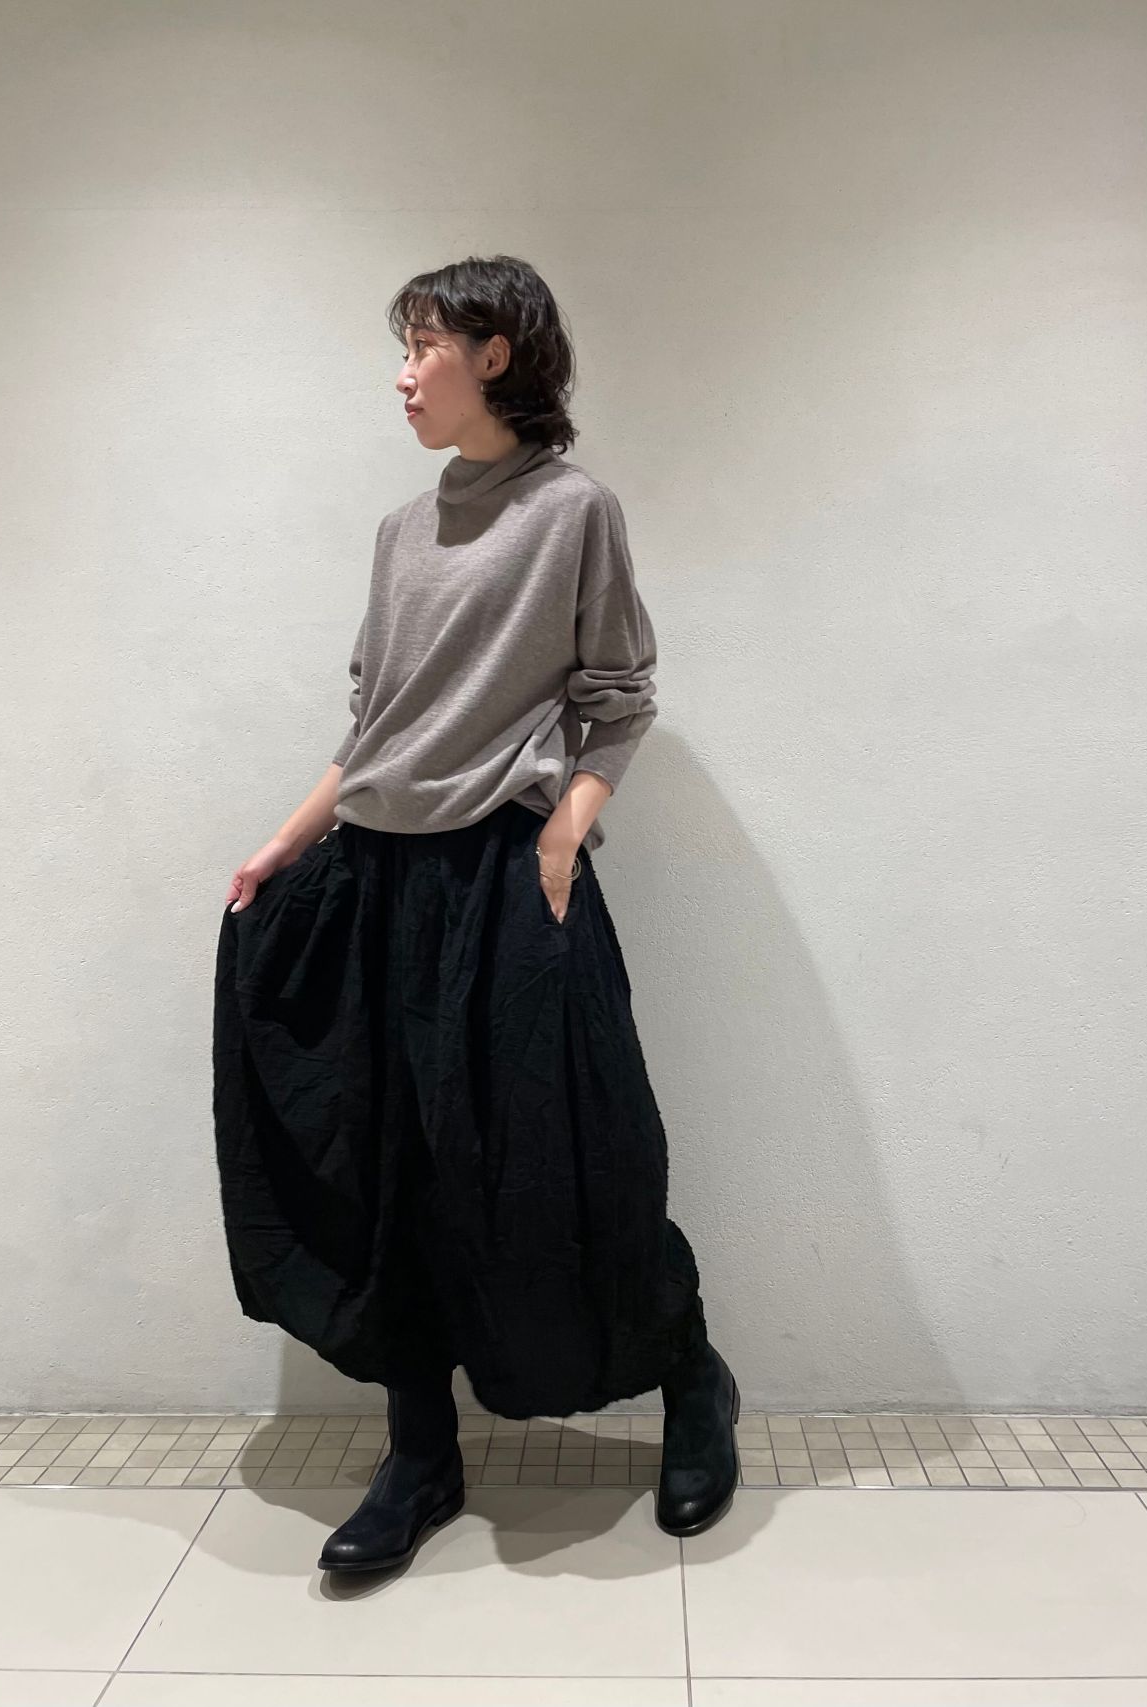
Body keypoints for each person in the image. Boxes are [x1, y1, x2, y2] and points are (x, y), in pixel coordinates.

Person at [212, 254, 739, 1575]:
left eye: (423, 348)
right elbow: (375, 728)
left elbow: (620, 696)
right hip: (378, 881)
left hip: (505, 883)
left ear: (496, 355)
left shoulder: (572, 512)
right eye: (401, 352)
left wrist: (562, 831)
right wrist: (284, 844)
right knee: (390, 1166)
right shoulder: (401, 532)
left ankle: (691, 1375)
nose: (402, 378)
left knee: (569, 1157)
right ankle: (420, 1454)